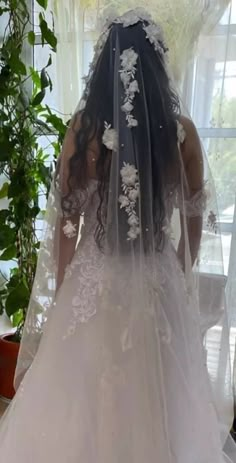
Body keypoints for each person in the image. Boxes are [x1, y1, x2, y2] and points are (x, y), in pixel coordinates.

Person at [0, 8, 235, 462]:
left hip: (96, 279)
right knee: (158, 390)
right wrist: (176, 271)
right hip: (156, 279)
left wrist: (68, 283)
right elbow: (192, 219)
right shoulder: (182, 135)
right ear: (156, 65)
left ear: (104, 66)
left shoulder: (84, 131)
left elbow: (66, 223)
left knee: (91, 391)